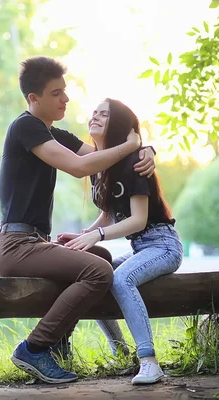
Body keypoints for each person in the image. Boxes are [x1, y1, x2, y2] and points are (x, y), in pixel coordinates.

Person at [0, 56, 157, 384]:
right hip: (13, 245)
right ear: (33, 99)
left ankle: (61, 344)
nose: (66, 99)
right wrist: (131, 146)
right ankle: (36, 347)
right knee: (99, 272)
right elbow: (82, 167)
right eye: (56, 93)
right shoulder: (25, 127)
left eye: (65, 91)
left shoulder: (52, 133)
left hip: (32, 242)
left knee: (99, 256)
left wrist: (145, 149)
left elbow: (100, 158)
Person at [57, 98, 183, 385]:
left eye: (105, 114)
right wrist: (83, 234)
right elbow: (109, 213)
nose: (96, 116)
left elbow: (138, 220)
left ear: (119, 125)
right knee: (97, 277)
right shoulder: (100, 166)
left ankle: (149, 361)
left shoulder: (134, 162)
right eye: (94, 112)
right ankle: (121, 352)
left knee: (120, 278)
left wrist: (96, 236)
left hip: (163, 246)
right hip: (141, 248)